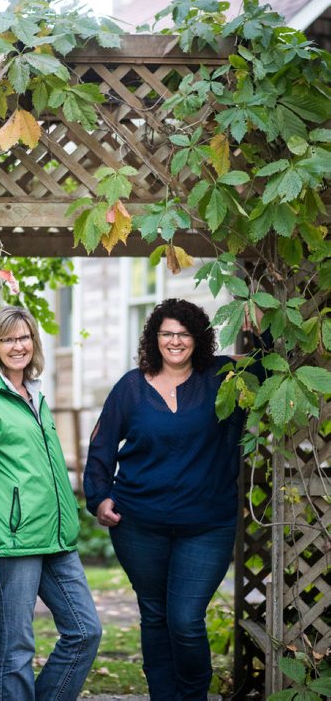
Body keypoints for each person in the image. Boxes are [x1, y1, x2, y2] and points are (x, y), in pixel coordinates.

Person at [84, 298, 266, 701]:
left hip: (207, 526)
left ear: (198, 338)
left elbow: (268, 365)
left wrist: (260, 320)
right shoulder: (130, 387)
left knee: (185, 620)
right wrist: (98, 498)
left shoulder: (223, 376)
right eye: (166, 333)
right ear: (154, 337)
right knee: (154, 615)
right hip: (138, 525)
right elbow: (101, 447)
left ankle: (192, 696)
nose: (175, 341)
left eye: (183, 334)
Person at [0, 305, 101, 701]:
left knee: (85, 631)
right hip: (13, 541)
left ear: (33, 341)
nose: (17, 346)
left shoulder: (34, 393)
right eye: (7, 339)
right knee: (16, 649)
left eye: (23, 337)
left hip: (55, 539)